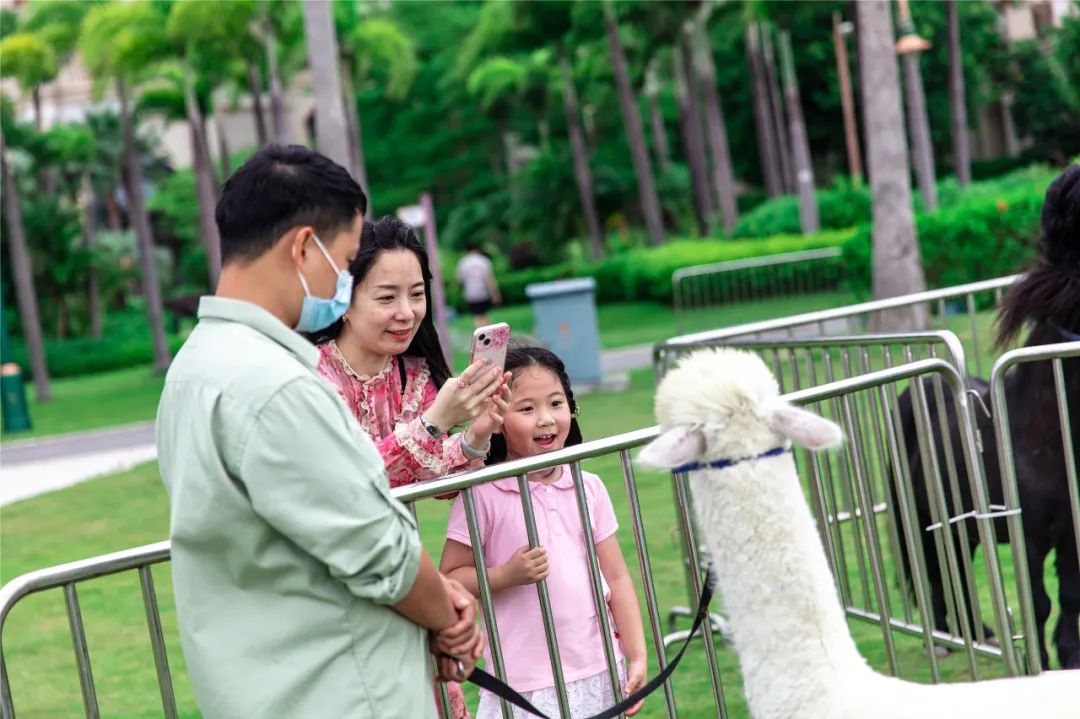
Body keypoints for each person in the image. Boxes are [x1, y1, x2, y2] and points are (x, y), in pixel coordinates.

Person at [156, 145, 482, 718]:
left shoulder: (193, 369)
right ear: (304, 246)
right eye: (349, 258)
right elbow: (379, 550)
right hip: (343, 687)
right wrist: (447, 614)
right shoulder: (276, 385)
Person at [309, 215, 512, 719]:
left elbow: (435, 482)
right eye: (386, 297)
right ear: (344, 299)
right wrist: (435, 421)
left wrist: (476, 433)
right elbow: (350, 487)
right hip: (332, 600)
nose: (406, 313)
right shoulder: (311, 380)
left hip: (406, 584)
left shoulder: (416, 373)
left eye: (416, 294)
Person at [440, 345, 648, 718]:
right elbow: (450, 577)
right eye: (526, 409)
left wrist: (636, 655)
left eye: (556, 403)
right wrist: (504, 576)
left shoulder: (589, 487)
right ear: (499, 417)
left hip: (598, 670)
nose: (546, 419)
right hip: (526, 686)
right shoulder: (482, 494)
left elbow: (616, 576)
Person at [456, 242, 501, 328]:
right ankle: (489, 334)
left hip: (471, 294)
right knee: (485, 315)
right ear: (477, 249)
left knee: (477, 317)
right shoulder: (483, 261)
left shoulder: (462, 263)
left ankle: (481, 335)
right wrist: (495, 294)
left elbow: (460, 280)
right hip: (483, 292)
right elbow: (489, 280)